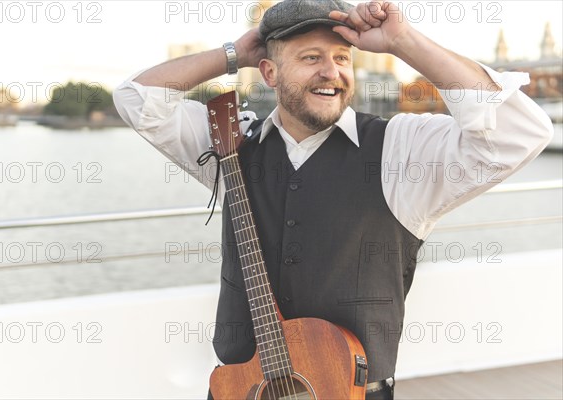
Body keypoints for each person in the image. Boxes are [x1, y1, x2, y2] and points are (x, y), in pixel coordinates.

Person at [113, 0, 553, 398]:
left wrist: (403, 42)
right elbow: (138, 99)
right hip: (239, 390)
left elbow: (520, 133)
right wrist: (234, 53)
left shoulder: (401, 151)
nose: (331, 72)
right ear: (268, 73)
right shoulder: (231, 143)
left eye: (342, 58)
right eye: (310, 58)